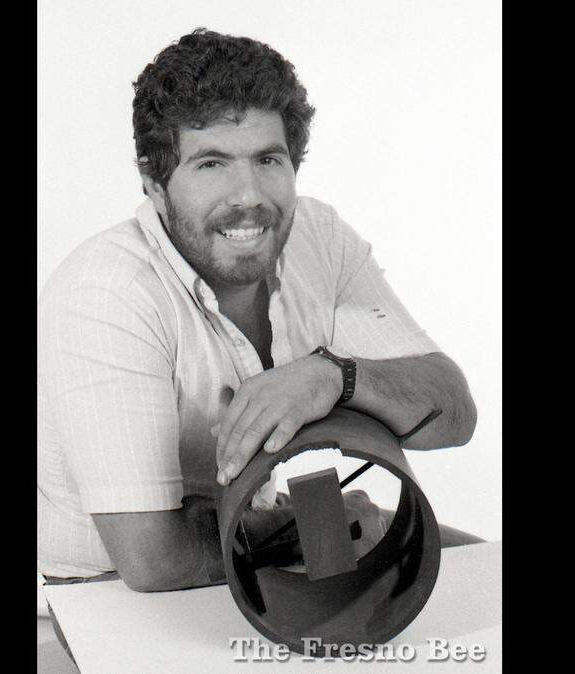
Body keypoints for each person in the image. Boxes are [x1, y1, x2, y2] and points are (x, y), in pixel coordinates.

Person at [38, 28, 479, 599]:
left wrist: (336, 376)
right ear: (153, 181)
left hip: (246, 546)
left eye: (268, 158)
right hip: (103, 598)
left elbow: (452, 415)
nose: (248, 195)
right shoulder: (107, 292)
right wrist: (315, 530)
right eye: (211, 164)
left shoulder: (317, 235)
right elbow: (154, 562)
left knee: (484, 571)